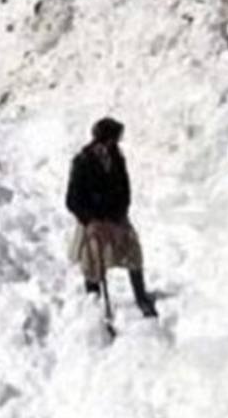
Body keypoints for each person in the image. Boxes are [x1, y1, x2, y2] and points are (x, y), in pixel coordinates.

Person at [65, 118, 158, 319]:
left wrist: (118, 217)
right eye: (114, 138)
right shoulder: (82, 161)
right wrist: (92, 221)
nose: (116, 143)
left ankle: (141, 297)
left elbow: (125, 191)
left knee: (133, 251)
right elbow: (72, 200)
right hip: (90, 220)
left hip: (115, 217)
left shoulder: (117, 158)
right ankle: (94, 303)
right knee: (91, 260)